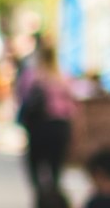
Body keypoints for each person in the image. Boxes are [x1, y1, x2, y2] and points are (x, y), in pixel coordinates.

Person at [17, 41, 78, 192]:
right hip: (60, 125)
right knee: (55, 166)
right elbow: (72, 105)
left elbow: (22, 97)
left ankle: (41, 196)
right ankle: (53, 194)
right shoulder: (63, 76)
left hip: (39, 125)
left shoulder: (32, 76)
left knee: (35, 164)